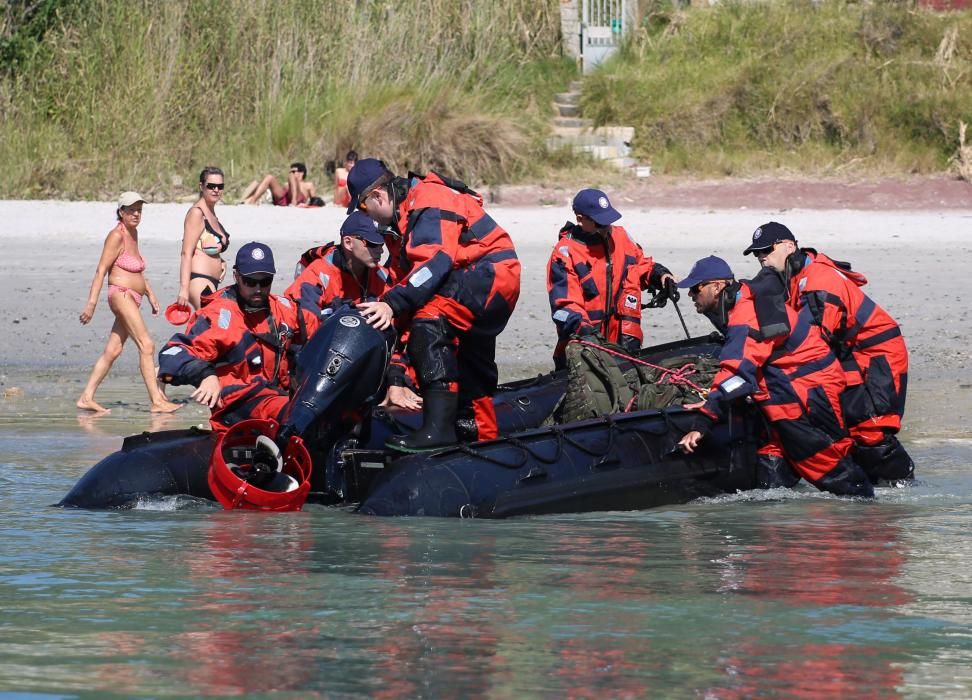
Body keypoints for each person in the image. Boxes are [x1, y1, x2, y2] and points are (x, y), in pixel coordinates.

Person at [349, 158, 521, 451]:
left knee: (429, 320)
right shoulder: (408, 222)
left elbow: (434, 262)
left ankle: (437, 430)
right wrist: (396, 375)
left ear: (377, 196)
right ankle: (485, 437)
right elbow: (408, 289)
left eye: (364, 208)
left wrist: (391, 303)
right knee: (470, 358)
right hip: (476, 282)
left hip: (491, 276)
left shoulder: (428, 199)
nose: (372, 221)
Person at [675, 256, 874, 497]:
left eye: (695, 289)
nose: (691, 296)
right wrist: (716, 399)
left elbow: (738, 372)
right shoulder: (741, 304)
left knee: (826, 464)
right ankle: (777, 529)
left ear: (717, 287)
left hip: (808, 392)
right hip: (784, 391)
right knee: (772, 471)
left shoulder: (745, 315)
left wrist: (704, 420)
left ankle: (867, 519)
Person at [743, 221, 913, 483]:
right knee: (844, 421)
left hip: (879, 355)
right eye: (757, 253)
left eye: (767, 250)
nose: (762, 257)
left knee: (871, 429)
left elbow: (813, 339)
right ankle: (865, 485)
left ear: (789, 246)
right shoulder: (794, 278)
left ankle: (902, 489)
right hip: (847, 354)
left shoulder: (819, 282)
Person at [158, 242, 317, 432]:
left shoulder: (284, 309)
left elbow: (318, 328)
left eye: (265, 281)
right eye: (250, 282)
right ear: (236, 277)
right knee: (298, 413)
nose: (258, 288)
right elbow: (173, 352)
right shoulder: (218, 316)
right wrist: (205, 376)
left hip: (277, 395)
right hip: (238, 405)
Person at [547, 188, 676, 369]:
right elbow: (565, 305)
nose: (607, 227)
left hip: (624, 344)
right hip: (585, 349)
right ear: (580, 219)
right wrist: (586, 333)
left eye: (608, 220)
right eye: (600, 223)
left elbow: (641, 266)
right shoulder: (565, 254)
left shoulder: (621, 237)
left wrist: (660, 275)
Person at [77, 193, 182, 414]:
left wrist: (150, 294)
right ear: (121, 212)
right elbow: (101, 270)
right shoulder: (116, 235)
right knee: (147, 345)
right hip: (120, 294)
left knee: (113, 350)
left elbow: (138, 269)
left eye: (139, 210)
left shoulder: (134, 233)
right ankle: (156, 401)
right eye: (131, 210)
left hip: (133, 297)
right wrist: (91, 304)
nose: (136, 214)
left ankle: (86, 397)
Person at [284, 211, 391, 318]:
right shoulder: (317, 274)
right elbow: (304, 322)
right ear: (348, 243)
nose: (380, 250)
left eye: (381, 244)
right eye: (372, 244)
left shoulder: (382, 276)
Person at [178, 166, 230, 310]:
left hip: (212, 281)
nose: (216, 190)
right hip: (199, 279)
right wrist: (183, 289)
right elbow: (186, 252)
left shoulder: (211, 213)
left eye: (220, 186)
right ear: (201, 186)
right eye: (211, 186)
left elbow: (204, 245)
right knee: (215, 322)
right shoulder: (196, 213)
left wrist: (221, 261)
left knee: (209, 327)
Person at [240, 162, 317, 207]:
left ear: (302, 173)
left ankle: (293, 202)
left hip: (298, 199)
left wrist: (306, 204)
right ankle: (253, 201)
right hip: (284, 198)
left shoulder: (308, 185)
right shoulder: (288, 183)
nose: (291, 173)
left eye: (294, 171)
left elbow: (315, 201)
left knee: (291, 177)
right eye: (291, 171)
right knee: (269, 177)